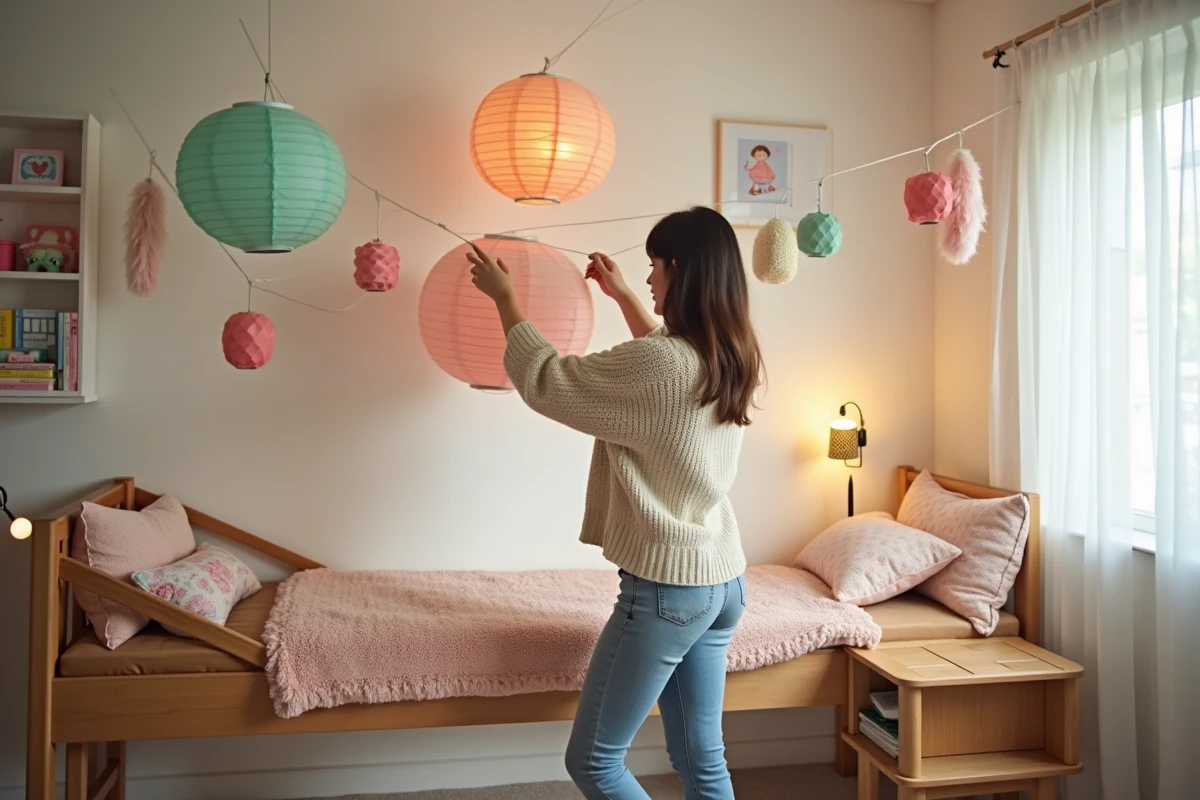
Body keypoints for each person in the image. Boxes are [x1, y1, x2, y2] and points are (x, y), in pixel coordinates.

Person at [466, 205, 764, 800]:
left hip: (667, 592)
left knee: (595, 762)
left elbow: (549, 380)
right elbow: (661, 372)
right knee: (703, 762)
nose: (649, 278)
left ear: (678, 269)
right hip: (720, 580)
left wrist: (505, 298)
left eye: (653, 267)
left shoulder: (666, 365)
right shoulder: (730, 351)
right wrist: (624, 294)